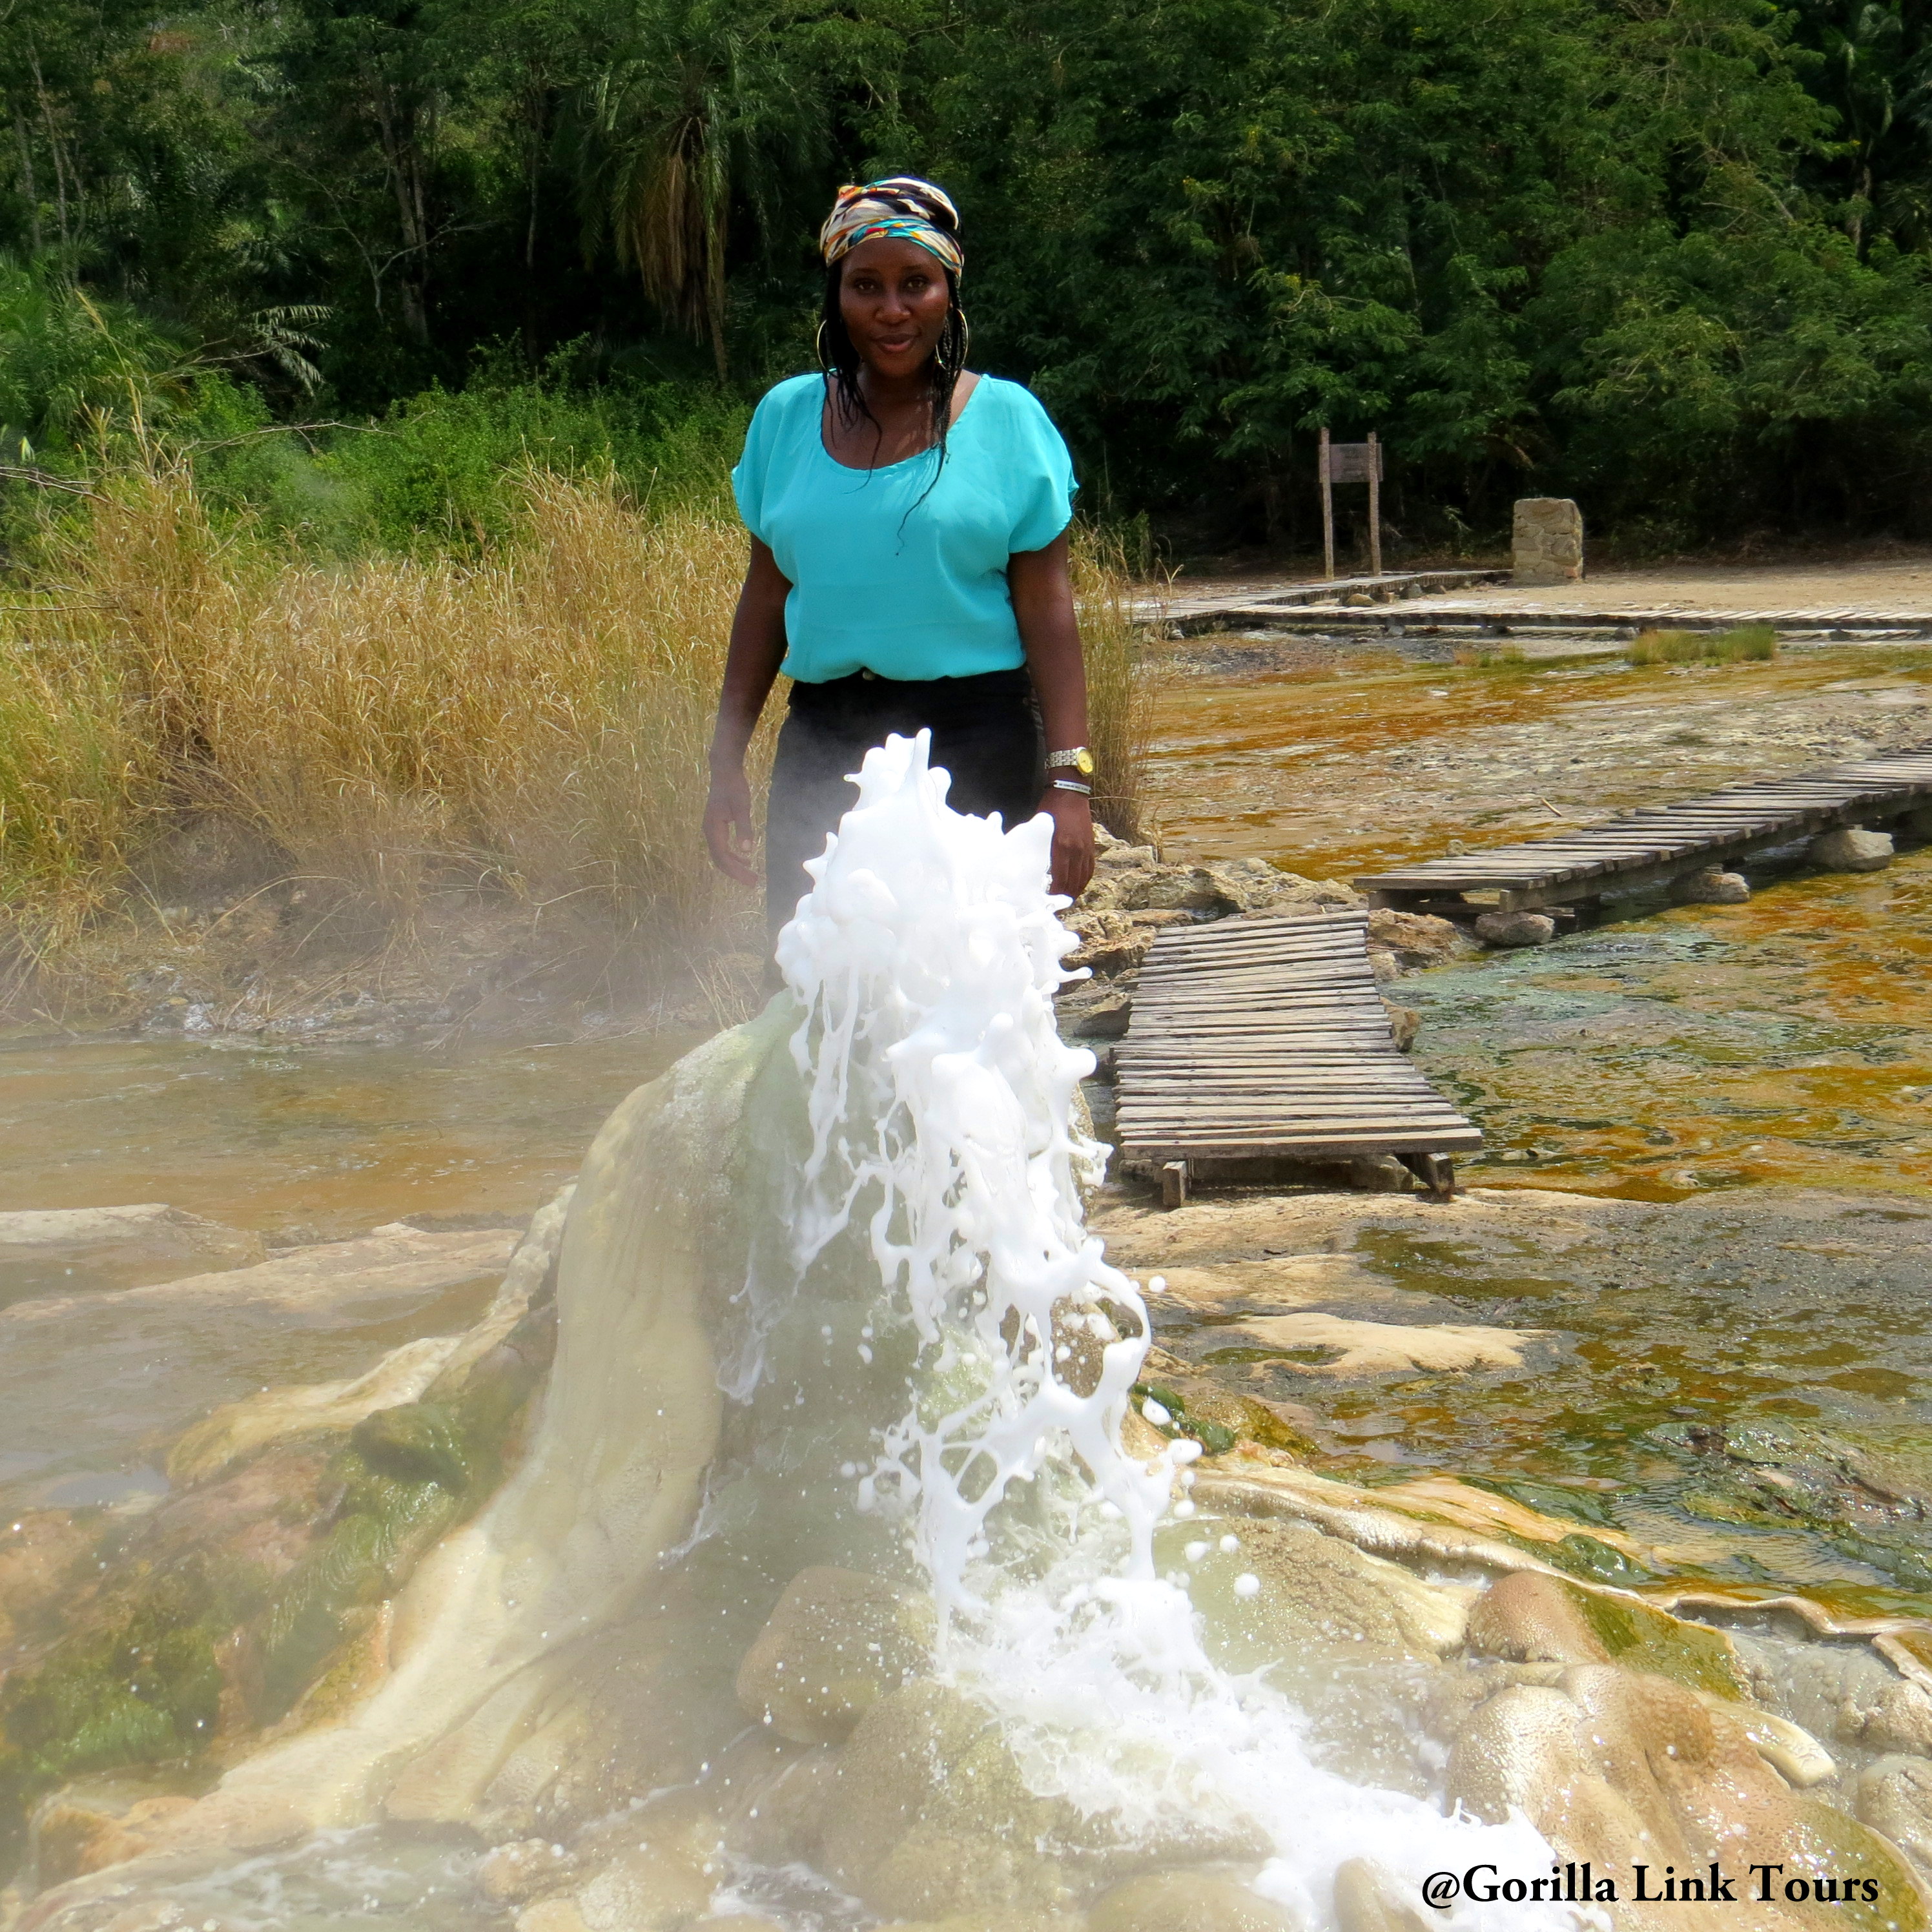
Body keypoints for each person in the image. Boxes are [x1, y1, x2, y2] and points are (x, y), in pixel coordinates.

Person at [703, 175, 1097, 946]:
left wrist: (1069, 781)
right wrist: (725, 766)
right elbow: (764, 599)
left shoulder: (1009, 419)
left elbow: (1047, 608)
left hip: (977, 734)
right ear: (836, 296)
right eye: (865, 286)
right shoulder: (784, 417)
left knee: (969, 981)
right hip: (825, 736)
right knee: (810, 975)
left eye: (915, 284)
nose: (891, 310)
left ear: (948, 292)